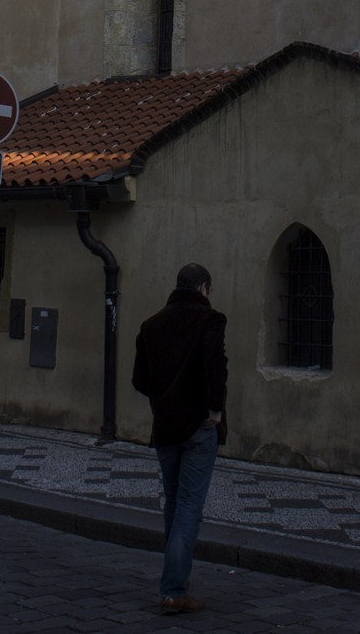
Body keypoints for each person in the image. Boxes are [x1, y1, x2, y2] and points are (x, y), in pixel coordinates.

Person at [132, 262, 227, 615]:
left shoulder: (150, 325)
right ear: (203, 288)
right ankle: (173, 589)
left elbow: (140, 381)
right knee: (189, 506)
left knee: (173, 504)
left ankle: (174, 584)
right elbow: (216, 368)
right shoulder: (210, 320)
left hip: (166, 428)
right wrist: (215, 411)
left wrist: (164, 399)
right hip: (200, 429)